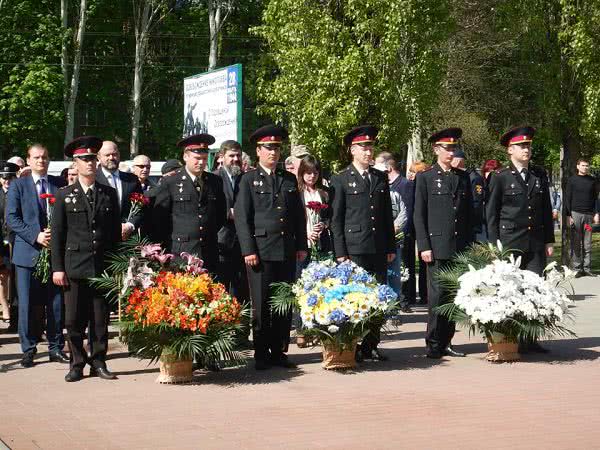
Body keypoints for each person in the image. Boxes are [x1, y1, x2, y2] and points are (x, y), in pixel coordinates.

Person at [234, 124, 307, 370]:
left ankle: (279, 351)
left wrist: (301, 245)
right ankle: (261, 354)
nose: (273, 152)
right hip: (261, 251)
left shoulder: (287, 179)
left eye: (276, 148)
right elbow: (243, 218)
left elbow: (298, 216)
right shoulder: (248, 179)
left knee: (283, 303)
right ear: (258, 151)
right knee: (262, 304)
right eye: (268, 148)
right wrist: (248, 250)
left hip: (285, 249)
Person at [52, 136, 121, 382]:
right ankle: (77, 363)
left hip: (101, 266)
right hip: (74, 267)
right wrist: (57, 268)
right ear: (75, 163)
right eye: (85, 159)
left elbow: (114, 235)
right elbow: (58, 235)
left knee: (100, 320)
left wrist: (116, 266)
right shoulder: (64, 195)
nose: (90, 163)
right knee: (73, 320)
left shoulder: (109, 194)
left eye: (93, 158)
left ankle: (99, 362)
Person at [330, 125, 396, 361]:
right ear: (352, 150)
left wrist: (390, 246)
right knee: (355, 298)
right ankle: (353, 344)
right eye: (363, 147)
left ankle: (372, 344)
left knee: (377, 297)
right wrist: (340, 252)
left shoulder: (379, 177)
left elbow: (387, 215)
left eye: (370, 147)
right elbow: (336, 219)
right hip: (354, 247)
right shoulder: (340, 179)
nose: (368, 152)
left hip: (378, 246)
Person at [486, 126, 554, 352]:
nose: (527, 150)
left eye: (529, 146)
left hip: (534, 241)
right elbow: (492, 213)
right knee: (510, 290)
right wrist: (494, 244)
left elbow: (545, 209)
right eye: (522, 146)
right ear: (510, 150)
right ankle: (509, 337)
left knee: (534, 288)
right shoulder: (500, 177)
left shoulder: (539, 175)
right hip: (510, 241)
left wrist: (548, 240)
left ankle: (530, 337)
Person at [413, 128, 473, 359]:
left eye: (453, 148)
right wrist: (424, 245)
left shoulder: (462, 177)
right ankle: (433, 342)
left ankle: (447, 340)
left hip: (459, 245)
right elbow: (419, 215)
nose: (451, 152)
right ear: (436, 149)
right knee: (437, 297)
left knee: (454, 296)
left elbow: (467, 215)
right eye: (446, 148)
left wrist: (470, 245)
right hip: (436, 247)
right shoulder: (425, 177)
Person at [7, 144, 68, 368]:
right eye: (36, 157)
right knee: (27, 304)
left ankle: (55, 348)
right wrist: (36, 236)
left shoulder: (59, 184)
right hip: (27, 255)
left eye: (44, 157)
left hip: (55, 255)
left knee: (56, 304)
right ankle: (29, 349)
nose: (41, 161)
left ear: (49, 160)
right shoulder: (18, 186)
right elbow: (12, 219)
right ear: (29, 160)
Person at [152, 134, 226, 275]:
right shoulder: (171, 182)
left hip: (208, 252)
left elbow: (220, 214)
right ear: (186, 156)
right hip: (181, 253)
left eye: (204, 159)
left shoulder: (215, 182)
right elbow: (160, 220)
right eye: (197, 158)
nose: (201, 163)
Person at [213, 140, 249, 314]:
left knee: (241, 291)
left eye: (238, 156)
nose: (235, 159)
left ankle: (240, 334)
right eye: (231, 156)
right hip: (221, 242)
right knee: (221, 288)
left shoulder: (246, 179)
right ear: (221, 157)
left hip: (243, 243)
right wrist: (228, 212)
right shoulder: (214, 179)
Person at [374, 152, 409, 312]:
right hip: (377, 241)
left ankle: (393, 308)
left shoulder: (395, 195)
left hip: (394, 241)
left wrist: (394, 228)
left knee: (394, 275)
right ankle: (381, 308)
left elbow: (403, 213)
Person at [96, 141, 143, 241]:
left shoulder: (132, 180)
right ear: (98, 157)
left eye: (114, 154)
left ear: (119, 155)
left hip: (127, 240)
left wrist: (130, 225)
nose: (111, 158)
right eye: (107, 155)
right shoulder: (93, 180)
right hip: (101, 240)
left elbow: (141, 207)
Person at [297, 154, 331, 276]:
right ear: (302, 172)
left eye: (315, 173)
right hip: (302, 244)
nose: (312, 176)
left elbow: (331, 216)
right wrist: (305, 234)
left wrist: (324, 224)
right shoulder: (296, 192)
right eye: (308, 173)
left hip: (322, 242)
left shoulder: (325, 192)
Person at [565, 158, 600, 277]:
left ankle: (587, 268)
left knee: (587, 243)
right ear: (578, 166)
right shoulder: (572, 180)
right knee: (576, 242)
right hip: (575, 214)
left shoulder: (593, 181)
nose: (585, 167)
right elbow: (567, 199)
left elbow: (596, 199)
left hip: (589, 215)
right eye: (583, 165)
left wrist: (596, 213)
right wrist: (568, 215)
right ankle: (576, 268)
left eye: (587, 166)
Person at [408, 161, 431, 305]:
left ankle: (425, 294)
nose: (411, 175)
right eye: (410, 171)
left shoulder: (423, 185)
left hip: (424, 228)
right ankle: (419, 294)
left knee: (425, 264)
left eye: (414, 172)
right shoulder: (409, 186)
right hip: (411, 227)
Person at [451, 148, 486, 242]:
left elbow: (477, 202)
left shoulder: (474, 177)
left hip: (470, 224)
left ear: (458, 161)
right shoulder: (455, 176)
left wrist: (475, 226)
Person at [0, 162, 19, 324]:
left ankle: (16, 310)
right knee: (2, 276)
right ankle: (5, 308)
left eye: (10, 177)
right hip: (2, 242)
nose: (7, 181)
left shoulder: (20, 192)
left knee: (16, 275)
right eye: (4, 177)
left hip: (16, 239)